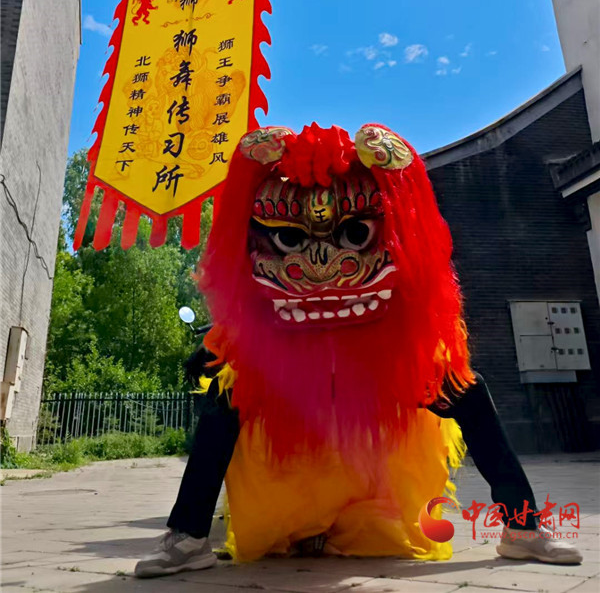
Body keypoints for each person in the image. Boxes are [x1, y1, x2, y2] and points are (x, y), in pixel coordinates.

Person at [135, 124, 582, 577]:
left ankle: (523, 527)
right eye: (290, 239)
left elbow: (419, 235)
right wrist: (249, 167)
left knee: (468, 392)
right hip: (290, 350)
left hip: (377, 349)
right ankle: (188, 535)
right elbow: (233, 251)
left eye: (352, 234)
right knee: (224, 401)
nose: (321, 263)